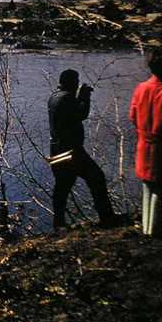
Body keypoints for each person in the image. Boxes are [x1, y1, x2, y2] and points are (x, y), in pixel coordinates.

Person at [48, 69, 116, 231]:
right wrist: (84, 95)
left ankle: (59, 224)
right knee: (97, 178)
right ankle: (107, 218)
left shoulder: (53, 97)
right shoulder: (67, 98)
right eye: (76, 81)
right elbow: (81, 113)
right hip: (72, 152)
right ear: (71, 82)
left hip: (57, 151)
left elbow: (70, 114)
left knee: (62, 188)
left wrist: (79, 95)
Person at [130, 48, 162, 238]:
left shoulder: (141, 87)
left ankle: (147, 227)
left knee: (148, 185)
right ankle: (155, 230)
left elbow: (133, 116)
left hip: (144, 146)